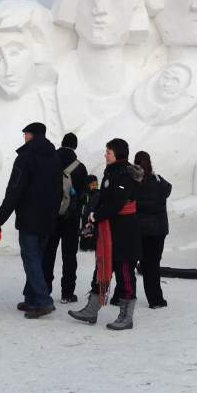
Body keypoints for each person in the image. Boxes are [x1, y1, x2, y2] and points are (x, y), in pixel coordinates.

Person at [69, 138, 142, 330]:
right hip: (110, 231)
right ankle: (92, 310)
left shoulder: (125, 174)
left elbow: (117, 203)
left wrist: (96, 216)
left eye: (108, 152)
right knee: (101, 268)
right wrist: (93, 216)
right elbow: (104, 199)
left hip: (125, 233)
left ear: (117, 153)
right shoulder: (112, 172)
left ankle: (126, 316)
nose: (105, 154)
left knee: (125, 273)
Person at [0, 122, 62, 319]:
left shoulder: (25, 158)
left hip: (30, 218)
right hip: (48, 218)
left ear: (31, 135)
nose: (24, 137)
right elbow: (59, 191)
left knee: (31, 259)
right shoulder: (55, 158)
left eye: (25, 134)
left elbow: (15, 190)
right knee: (37, 258)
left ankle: (43, 300)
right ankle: (32, 298)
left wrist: (0, 219)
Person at [43, 132, 88, 304]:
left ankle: (45, 291)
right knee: (69, 256)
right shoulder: (80, 167)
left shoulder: (50, 162)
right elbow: (84, 195)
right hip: (71, 217)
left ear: (61, 144)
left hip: (51, 216)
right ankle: (67, 293)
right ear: (75, 146)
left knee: (48, 255)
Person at [134, 151, 171, 307]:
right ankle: (156, 299)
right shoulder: (158, 181)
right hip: (158, 230)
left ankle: (122, 295)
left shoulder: (134, 183)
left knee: (129, 264)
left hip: (140, 230)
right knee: (153, 265)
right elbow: (168, 189)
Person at [78, 176, 100, 252]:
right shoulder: (84, 195)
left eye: (96, 184)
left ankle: (92, 246)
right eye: (93, 185)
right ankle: (85, 246)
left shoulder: (98, 194)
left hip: (93, 219)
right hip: (85, 219)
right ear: (88, 185)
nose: (95, 186)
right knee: (86, 233)